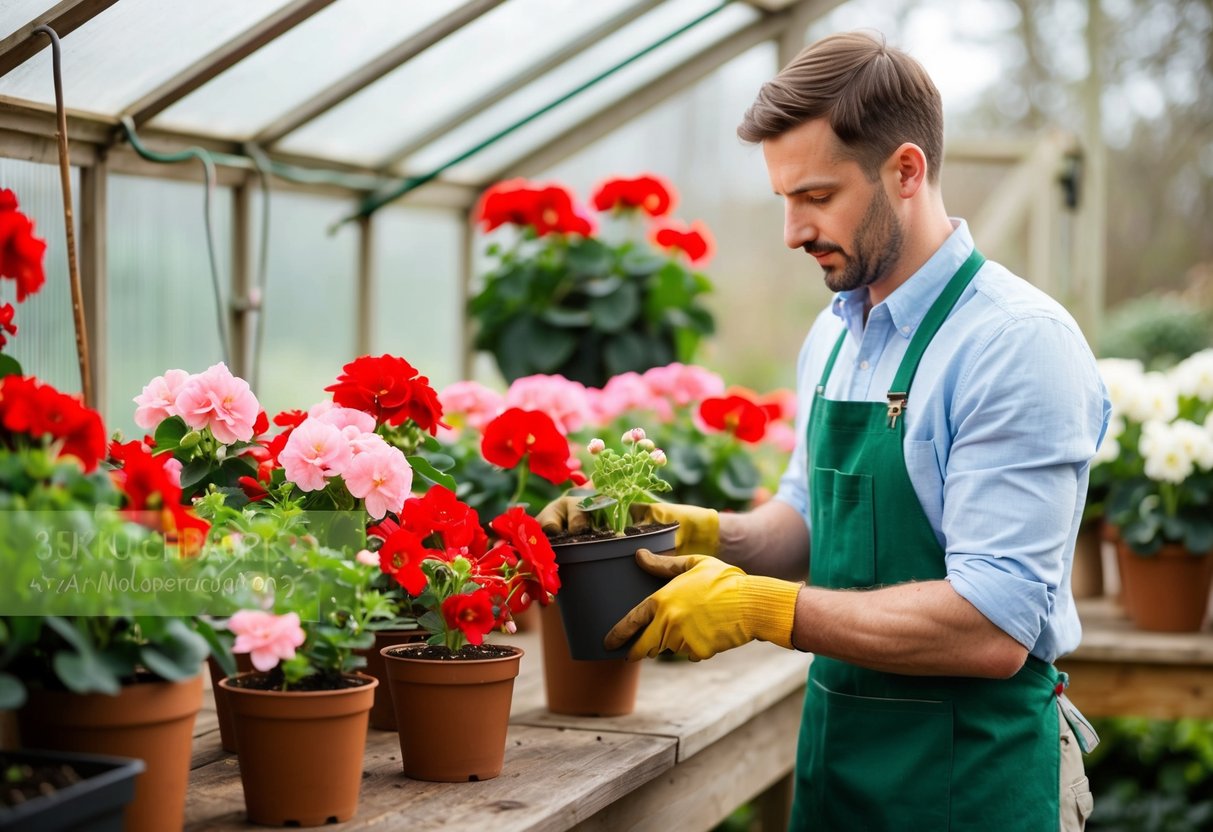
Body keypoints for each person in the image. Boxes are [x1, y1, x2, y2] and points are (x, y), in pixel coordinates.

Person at [539, 30, 1109, 831]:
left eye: (814, 196)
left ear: (904, 171)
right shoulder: (837, 333)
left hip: (969, 784)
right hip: (839, 774)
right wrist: (694, 536)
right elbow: (806, 521)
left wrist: (763, 610)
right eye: (783, 200)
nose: (792, 231)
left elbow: (991, 625)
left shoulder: (1015, 345)